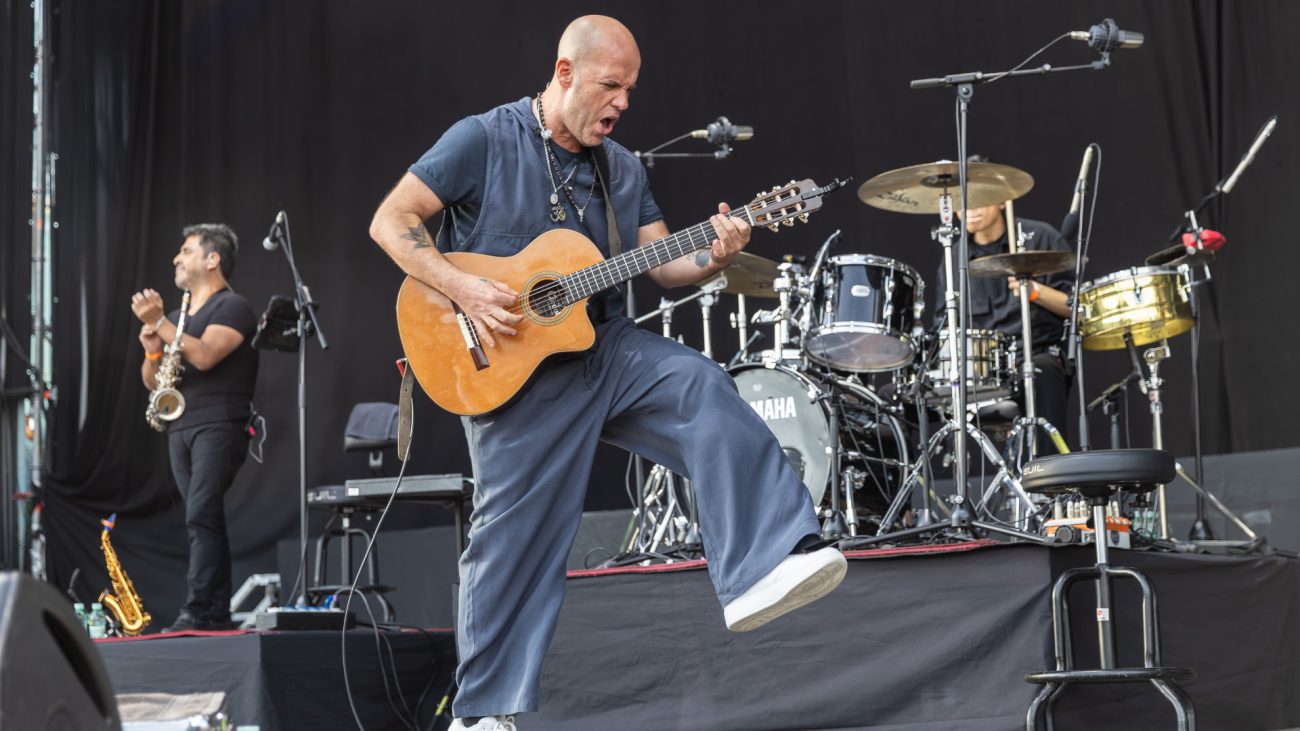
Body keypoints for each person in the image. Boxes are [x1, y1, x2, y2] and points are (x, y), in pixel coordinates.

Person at [370, 16, 843, 730]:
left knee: (703, 388)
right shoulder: (483, 139)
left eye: (630, 89)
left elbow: (665, 264)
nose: (622, 102)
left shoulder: (620, 166)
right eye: (610, 85)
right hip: (508, 369)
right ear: (565, 73)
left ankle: (762, 565)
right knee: (513, 535)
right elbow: (391, 219)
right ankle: (481, 714)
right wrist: (464, 287)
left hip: (605, 348)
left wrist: (717, 250)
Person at [131, 223, 259, 633]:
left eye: (186, 250)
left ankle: (201, 607)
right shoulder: (176, 316)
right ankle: (214, 611)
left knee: (201, 512)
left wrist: (163, 326)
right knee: (201, 516)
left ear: (212, 259)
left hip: (220, 423)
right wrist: (153, 349)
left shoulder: (232, 306)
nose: (176, 258)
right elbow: (154, 382)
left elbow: (204, 357)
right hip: (180, 426)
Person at [933, 156, 1074, 435]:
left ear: (1002, 200)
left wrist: (1033, 291)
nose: (969, 206)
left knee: (1042, 373)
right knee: (893, 397)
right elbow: (945, 327)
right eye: (963, 197)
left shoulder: (1041, 239)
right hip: (980, 370)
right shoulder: (953, 257)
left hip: (1034, 357)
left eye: (979, 195)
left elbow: (1076, 308)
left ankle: (1053, 476)